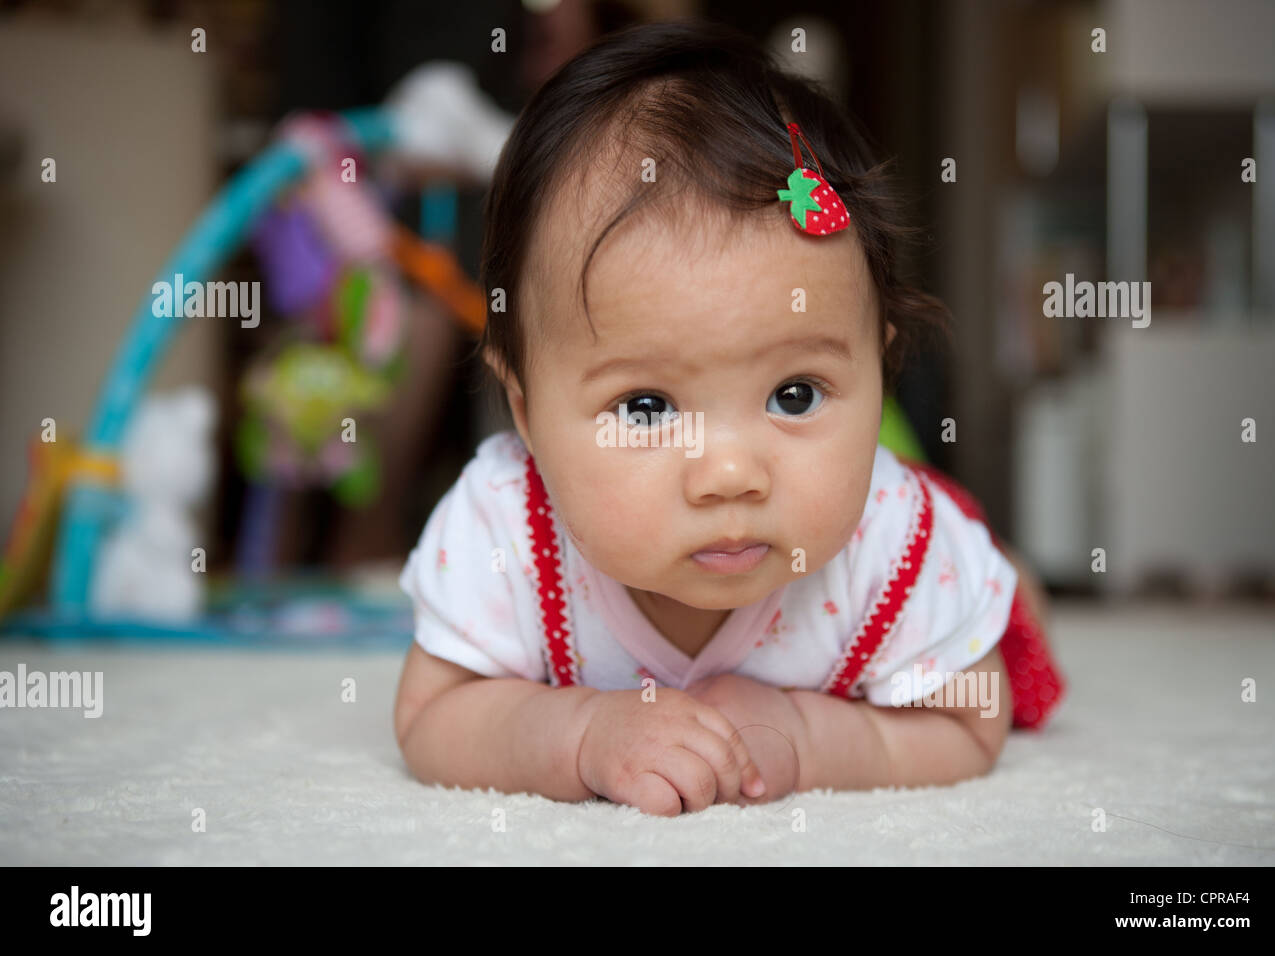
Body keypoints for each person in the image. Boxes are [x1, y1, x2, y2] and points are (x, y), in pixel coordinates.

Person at [393, 19, 1065, 816]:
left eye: (795, 395)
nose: (731, 474)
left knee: (1003, 608)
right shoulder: (507, 525)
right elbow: (431, 715)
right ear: (527, 414)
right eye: (646, 408)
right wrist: (579, 733)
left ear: (878, 374)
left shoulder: (893, 545)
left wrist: (808, 738)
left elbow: (970, 720)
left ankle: (1009, 572)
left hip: (918, 531)